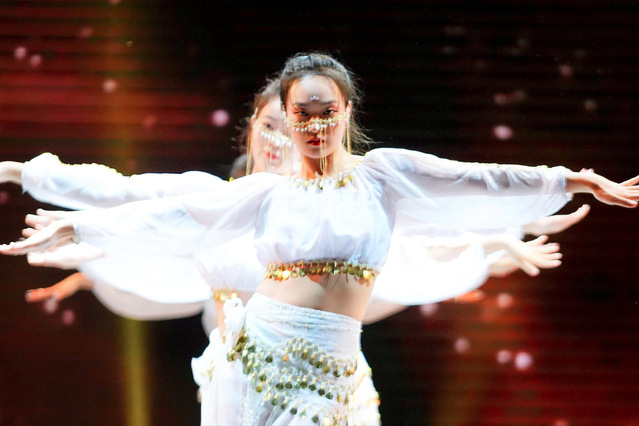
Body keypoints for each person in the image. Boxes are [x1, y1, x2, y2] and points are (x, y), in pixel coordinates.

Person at [3, 52, 636, 425]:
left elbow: (468, 186)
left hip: (339, 367)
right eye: (280, 122)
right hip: (257, 355)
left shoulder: (376, 179)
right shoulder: (250, 195)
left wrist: (552, 193)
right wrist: (56, 203)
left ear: (345, 114)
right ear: (257, 127)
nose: (293, 134)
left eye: (316, 115)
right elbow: (147, 206)